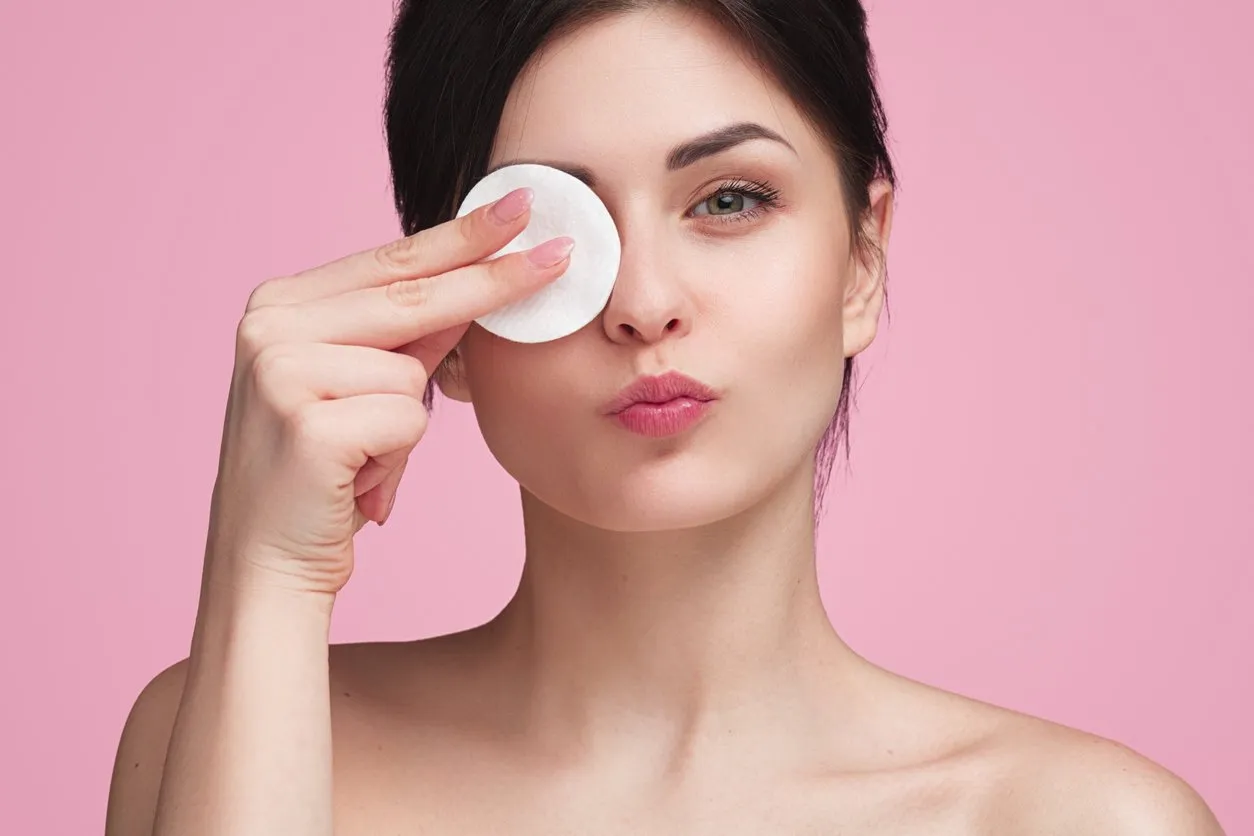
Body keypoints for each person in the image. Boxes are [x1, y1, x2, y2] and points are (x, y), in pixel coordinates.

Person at [105, 2, 1225, 833]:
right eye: (548, 223)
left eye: (729, 199)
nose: (644, 304)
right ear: (438, 307)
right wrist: (264, 574)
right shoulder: (230, 727)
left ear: (860, 262)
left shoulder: (1079, 820)